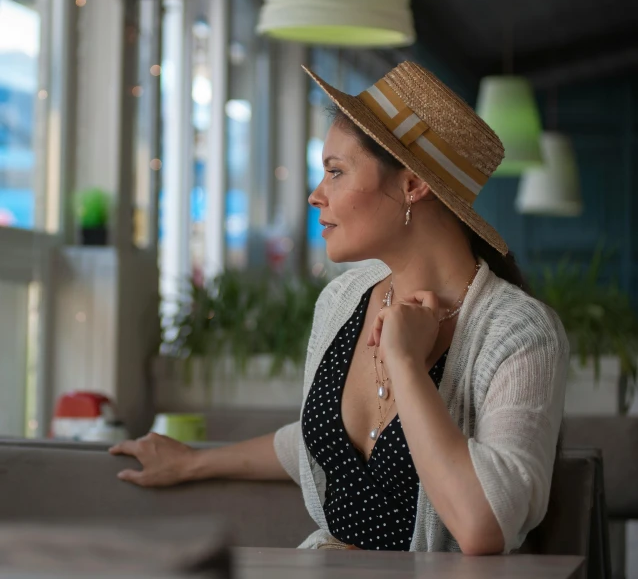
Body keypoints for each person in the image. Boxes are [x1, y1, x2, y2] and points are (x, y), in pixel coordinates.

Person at [110, 61, 569, 556]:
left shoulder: (520, 332)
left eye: (335, 172)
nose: (315, 195)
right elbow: (322, 440)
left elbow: (485, 528)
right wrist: (192, 463)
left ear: (413, 184)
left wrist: (406, 364)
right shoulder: (342, 300)